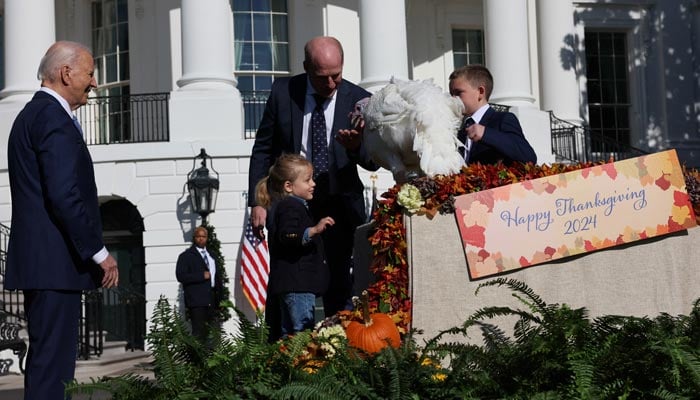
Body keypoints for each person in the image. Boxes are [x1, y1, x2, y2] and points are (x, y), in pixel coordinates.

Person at [5, 41, 119, 400]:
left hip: (46, 266)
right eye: (89, 73)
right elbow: (64, 196)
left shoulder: (33, 115)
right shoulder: (53, 119)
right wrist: (99, 253)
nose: (94, 82)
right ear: (66, 72)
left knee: (47, 366)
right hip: (55, 266)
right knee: (53, 371)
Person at [247, 36, 379, 318]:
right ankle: (282, 350)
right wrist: (257, 202)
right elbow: (263, 149)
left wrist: (356, 148)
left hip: (339, 205)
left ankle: (337, 348)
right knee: (286, 284)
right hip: (290, 206)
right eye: (323, 78)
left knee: (339, 283)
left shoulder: (359, 100)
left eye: (337, 75)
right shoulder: (283, 92)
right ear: (306, 67)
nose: (331, 84)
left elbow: (372, 161)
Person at [255, 154, 335, 339]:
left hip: (294, 285)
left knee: (289, 336)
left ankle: (288, 365)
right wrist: (312, 231)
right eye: (307, 180)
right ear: (288, 186)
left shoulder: (292, 205)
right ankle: (301, 367)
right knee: (302, 334)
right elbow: (287, 235)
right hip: (297, 285)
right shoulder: (290, 206)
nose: (313, 183)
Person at [448, 65, 537, 165]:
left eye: (458, 93)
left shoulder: (502, 119)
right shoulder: (462, 131)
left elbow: (528, 156)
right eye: (451, 94)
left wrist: (486, 134)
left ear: (480, 92)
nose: (453, 99)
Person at [176, 226, 223, 341]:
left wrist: (221, 299)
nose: (201, 239)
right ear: (194, 238)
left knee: (211, 332)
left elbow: (218, 278)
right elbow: (180, 276)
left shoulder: (212, 255)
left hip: (212, 298)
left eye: (204, 236)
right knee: (198, 332)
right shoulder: (186, 256)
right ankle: (196, 358)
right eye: (198, 236)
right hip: (196, 300)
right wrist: (201, 276)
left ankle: (210, 357)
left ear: (207, 238)